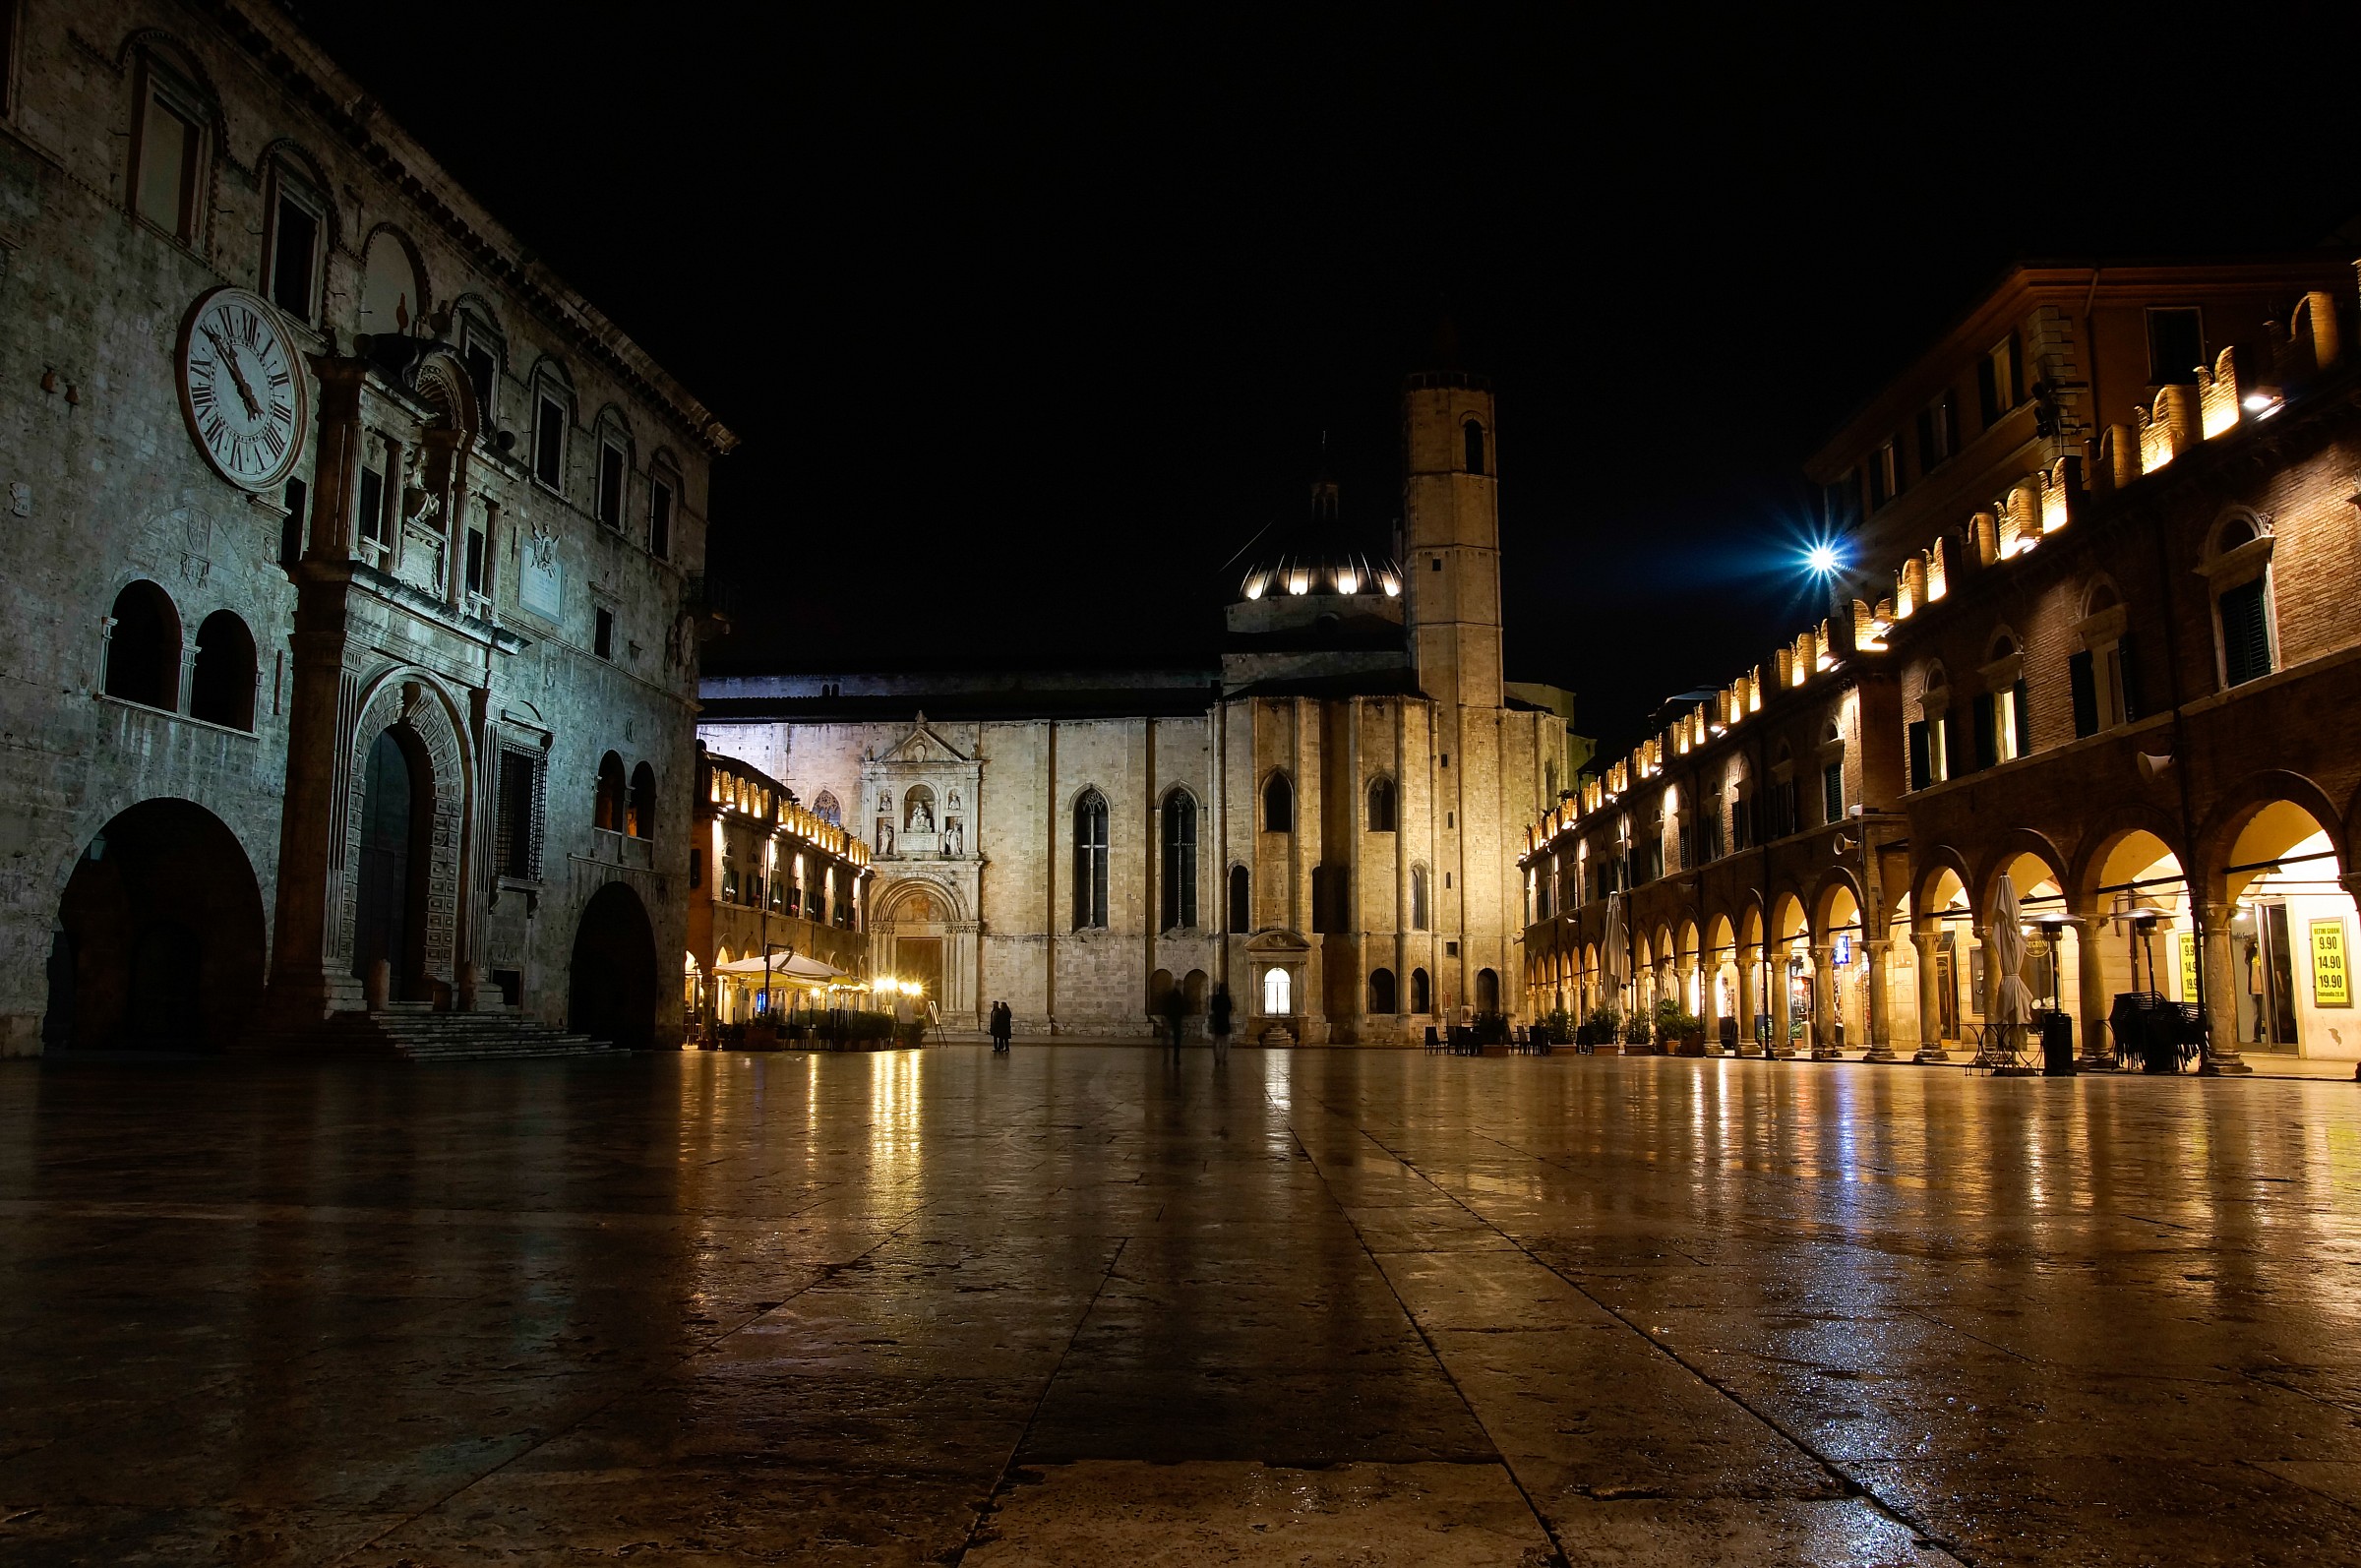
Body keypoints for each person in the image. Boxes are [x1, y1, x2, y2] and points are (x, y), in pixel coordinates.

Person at [1208, 984, 1233, 1065]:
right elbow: (1230, 1008)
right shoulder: (1226, 998)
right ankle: (1224, 1059)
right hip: (1225, 1022)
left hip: (1217, 1021)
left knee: (1216, 1042)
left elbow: (1212, 1008)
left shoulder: (1215, 998)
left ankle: (1217, 1059)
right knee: (1226, 1043)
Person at [1162, 986, 1186, 1063]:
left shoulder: (1168, 998)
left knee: (1166, 1039)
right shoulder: (1179, 999)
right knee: (1177, 1040)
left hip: (1168, 1019)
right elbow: (1183, 1009)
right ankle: (1176, 1057)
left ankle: (1166, 1057)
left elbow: (1164, 1008)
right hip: (1176, 1020)